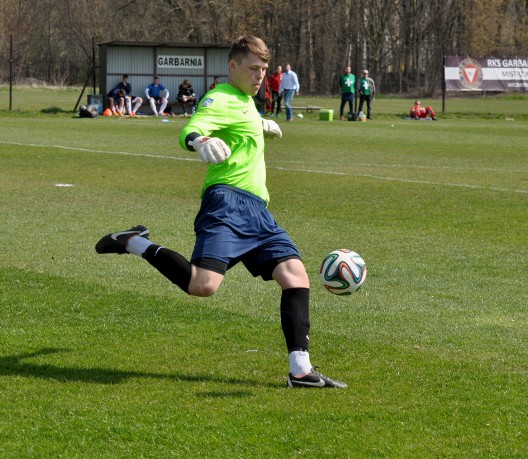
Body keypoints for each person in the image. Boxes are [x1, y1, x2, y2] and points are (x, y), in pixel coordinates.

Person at [95, 35, 347, 389]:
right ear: (233, 66)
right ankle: (133, 242)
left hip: (258, 209)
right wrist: (199, 140)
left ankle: (300, 371)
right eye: (253, 68)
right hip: (227, 203)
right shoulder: (222, 96)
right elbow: (194, 126)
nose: (260, 76)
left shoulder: (245, 101)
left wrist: (258, 125)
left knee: (295, 276)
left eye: (264, 70)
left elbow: (238, 120)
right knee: (203, 286)